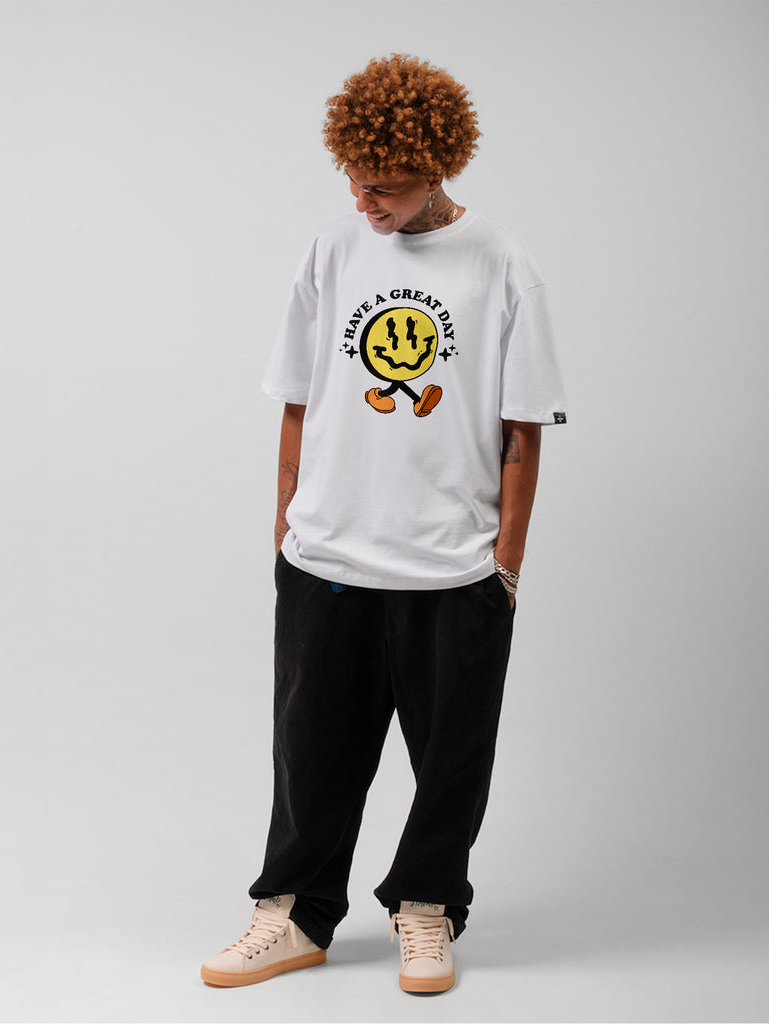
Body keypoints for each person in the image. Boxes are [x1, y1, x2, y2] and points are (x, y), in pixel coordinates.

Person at [200, 53, 567, 995]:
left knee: (452, 759)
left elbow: (521, 428)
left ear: (437, 168)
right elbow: (296, 398)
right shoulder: (332, 251)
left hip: (453, 567)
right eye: (356, 182)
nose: (367, 202)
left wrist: (506, 564)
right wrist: (286, 526)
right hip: (326, 557)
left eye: (388, 188)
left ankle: (426, 908)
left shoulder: (500, 263)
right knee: (309, 752)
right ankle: (292, 914)